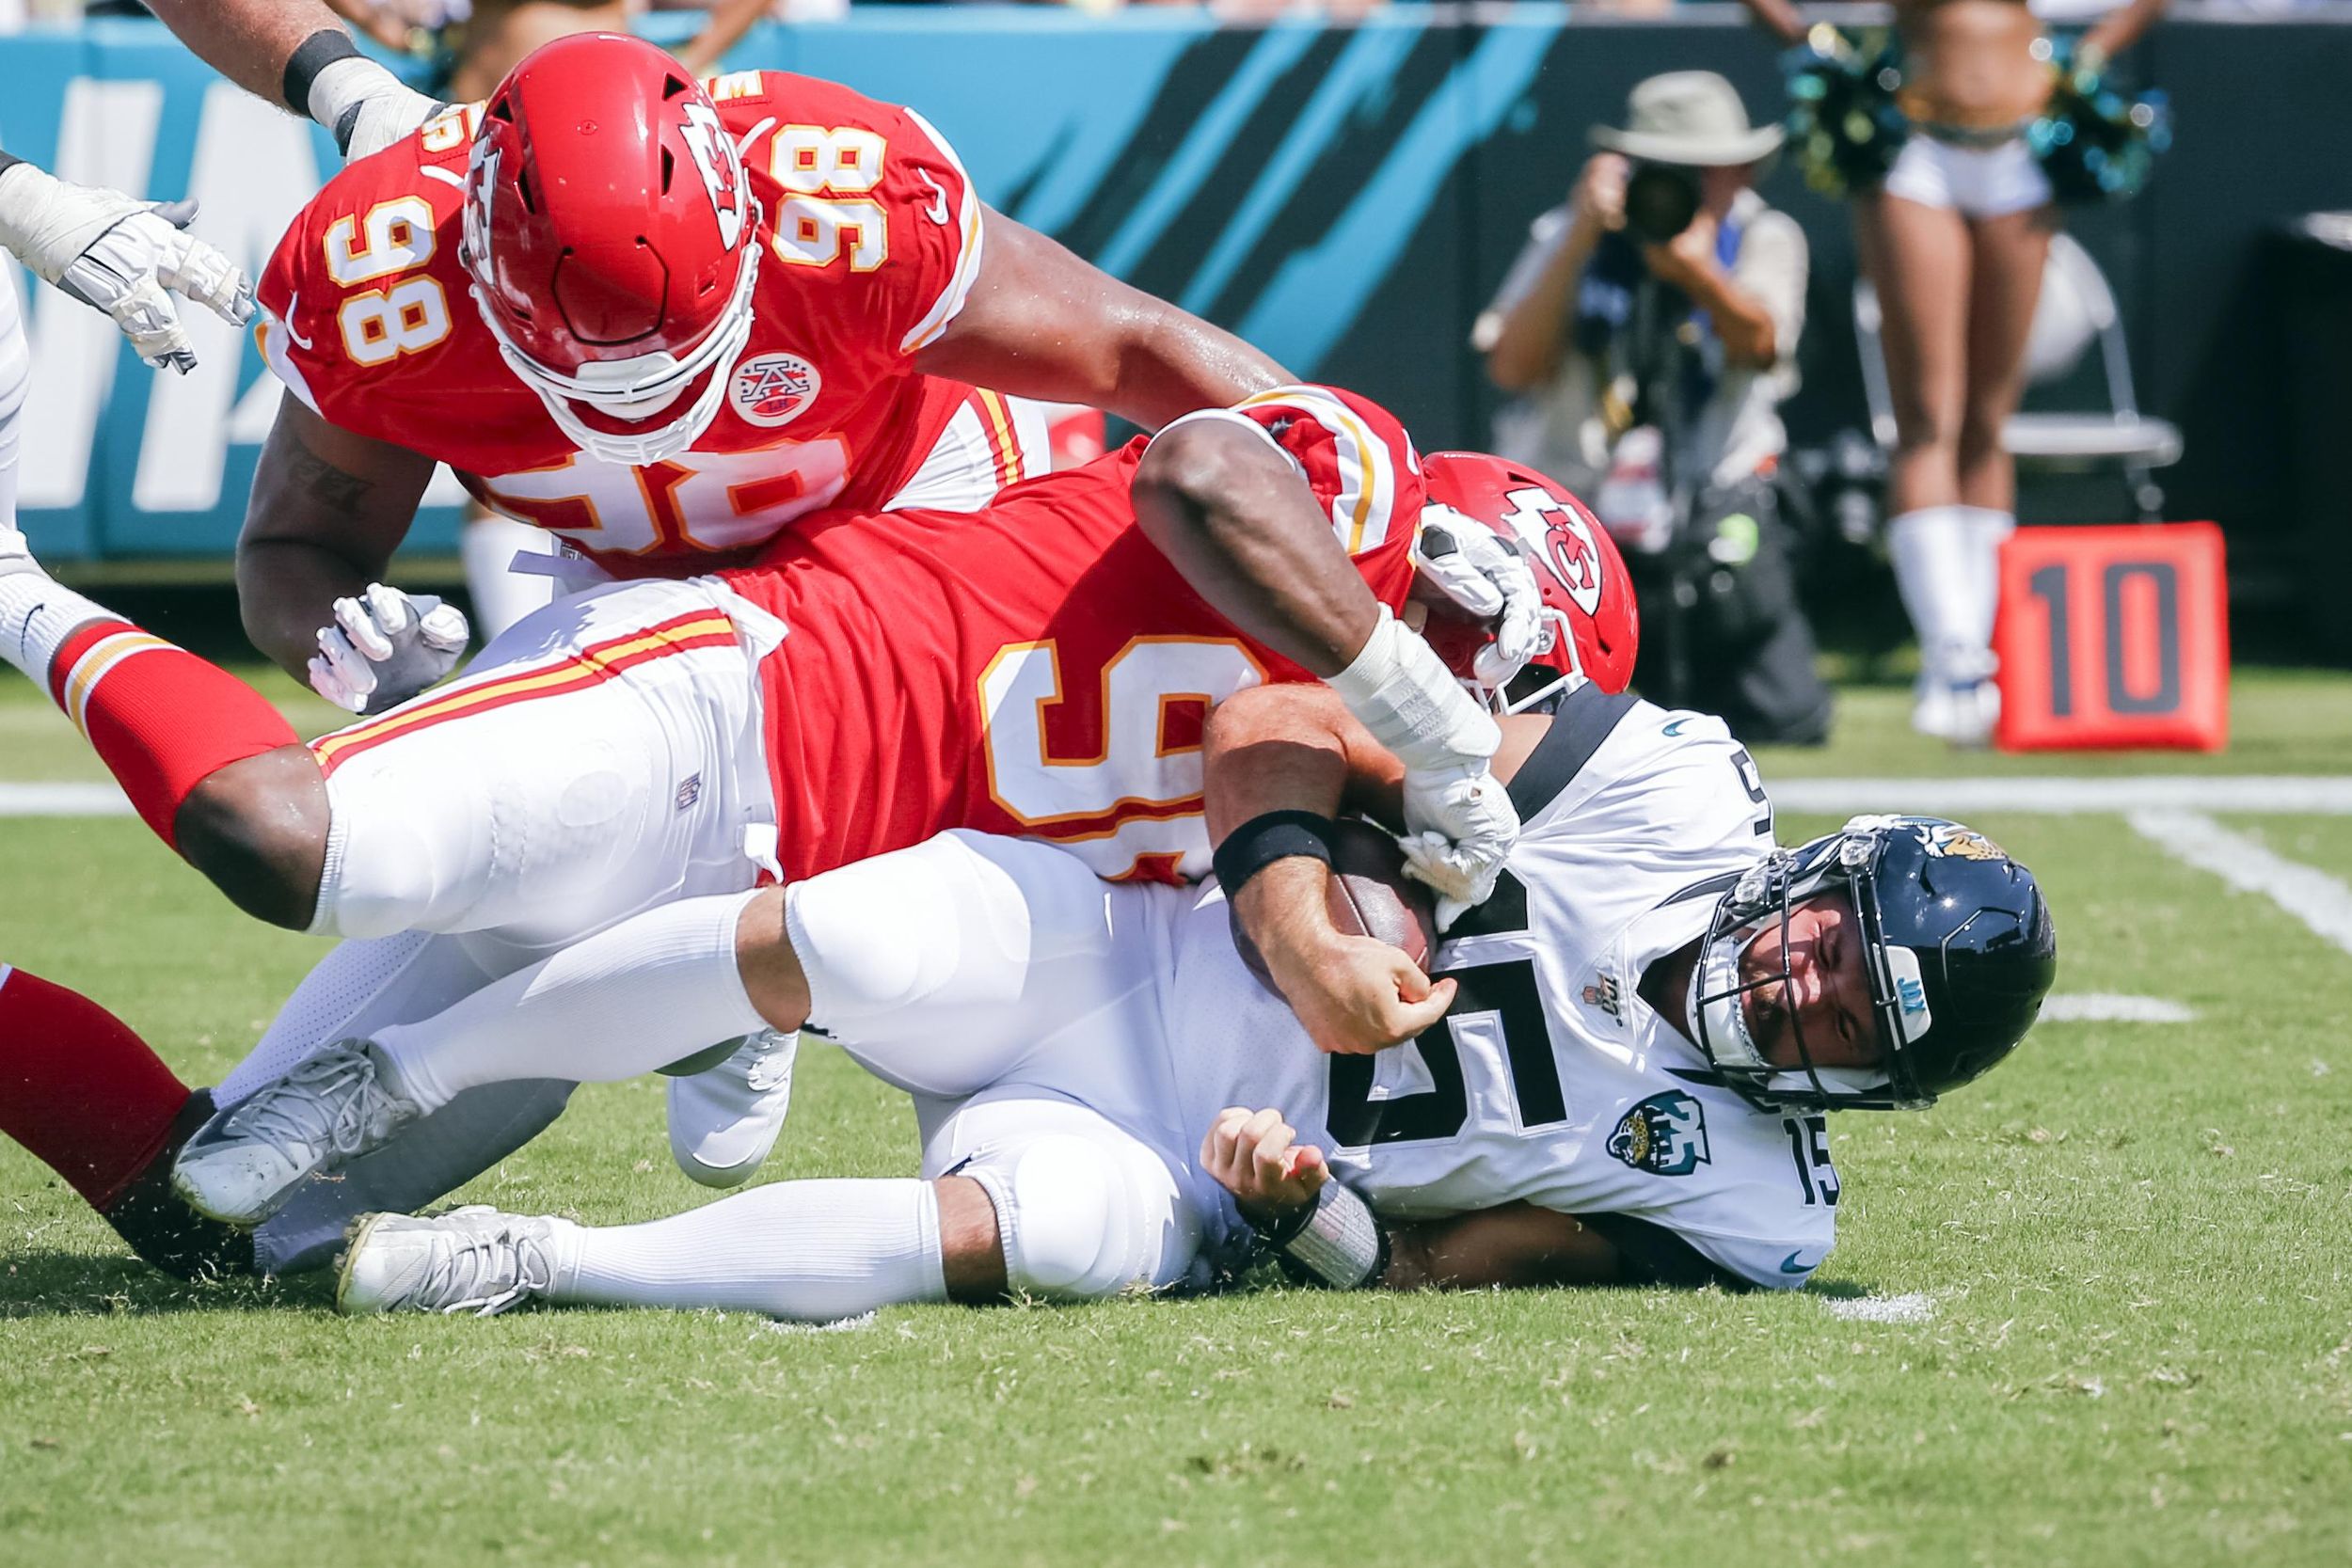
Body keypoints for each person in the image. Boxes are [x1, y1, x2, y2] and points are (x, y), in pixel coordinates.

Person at [0, 385, 1564, 1266]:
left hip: (735, 896)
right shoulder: (1345, 483)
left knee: (214, 1230)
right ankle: (16, 586)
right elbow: (1206, 469)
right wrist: (1397, 675)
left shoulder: (1331, 788)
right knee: (291, 843)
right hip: (726, 719)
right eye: (1492, 669)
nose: (1477, 712)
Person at [326, 684, 2057, 1319]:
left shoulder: (1748, 1199)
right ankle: (390, 1076)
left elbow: (1450, 1267)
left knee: (1025, 1234)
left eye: (1849, 1022)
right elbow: (1278, 725)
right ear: (1812, 875)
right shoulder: (1659, 787)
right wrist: (1309, 930)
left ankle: (537, 1261)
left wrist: (1308, 1217)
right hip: (1136, 953)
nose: (1800, 986)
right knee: (839, 937)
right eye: (1832, 942)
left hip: (1190, 1160)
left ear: (1873, 1092)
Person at [242, 33, 1288, 722]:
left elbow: (1133, 346)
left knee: (989, 796)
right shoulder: (378, 290)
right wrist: (354, 653)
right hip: (630, 574)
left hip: (919, 486)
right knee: (560, 883)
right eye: (598, 372)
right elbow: (295, 549)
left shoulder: (844, 201)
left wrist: (1369, 480)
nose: (641, 400)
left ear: (748, 225)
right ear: (471, 267)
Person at [1741, 0, 2170, 742]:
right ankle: (1949, 654)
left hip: (2024, 146)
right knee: (1928, 414)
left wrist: (2088, 56)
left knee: (1987, 420)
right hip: (1916, 146)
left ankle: (1986, 654)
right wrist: (1824, 51)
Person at [1474, 71, 1828, 746]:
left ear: (1741, 169)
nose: (1682, 189)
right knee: (1546, 725)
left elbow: (1761, 345)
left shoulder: (1764, 235)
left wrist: (1698, 273)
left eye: (1703, 171)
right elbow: (1511, 364)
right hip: (1572, 515)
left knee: (1788, 714)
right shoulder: (1572, 231)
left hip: (1713, 509)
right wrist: (1581, 236)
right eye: (1666, 170)